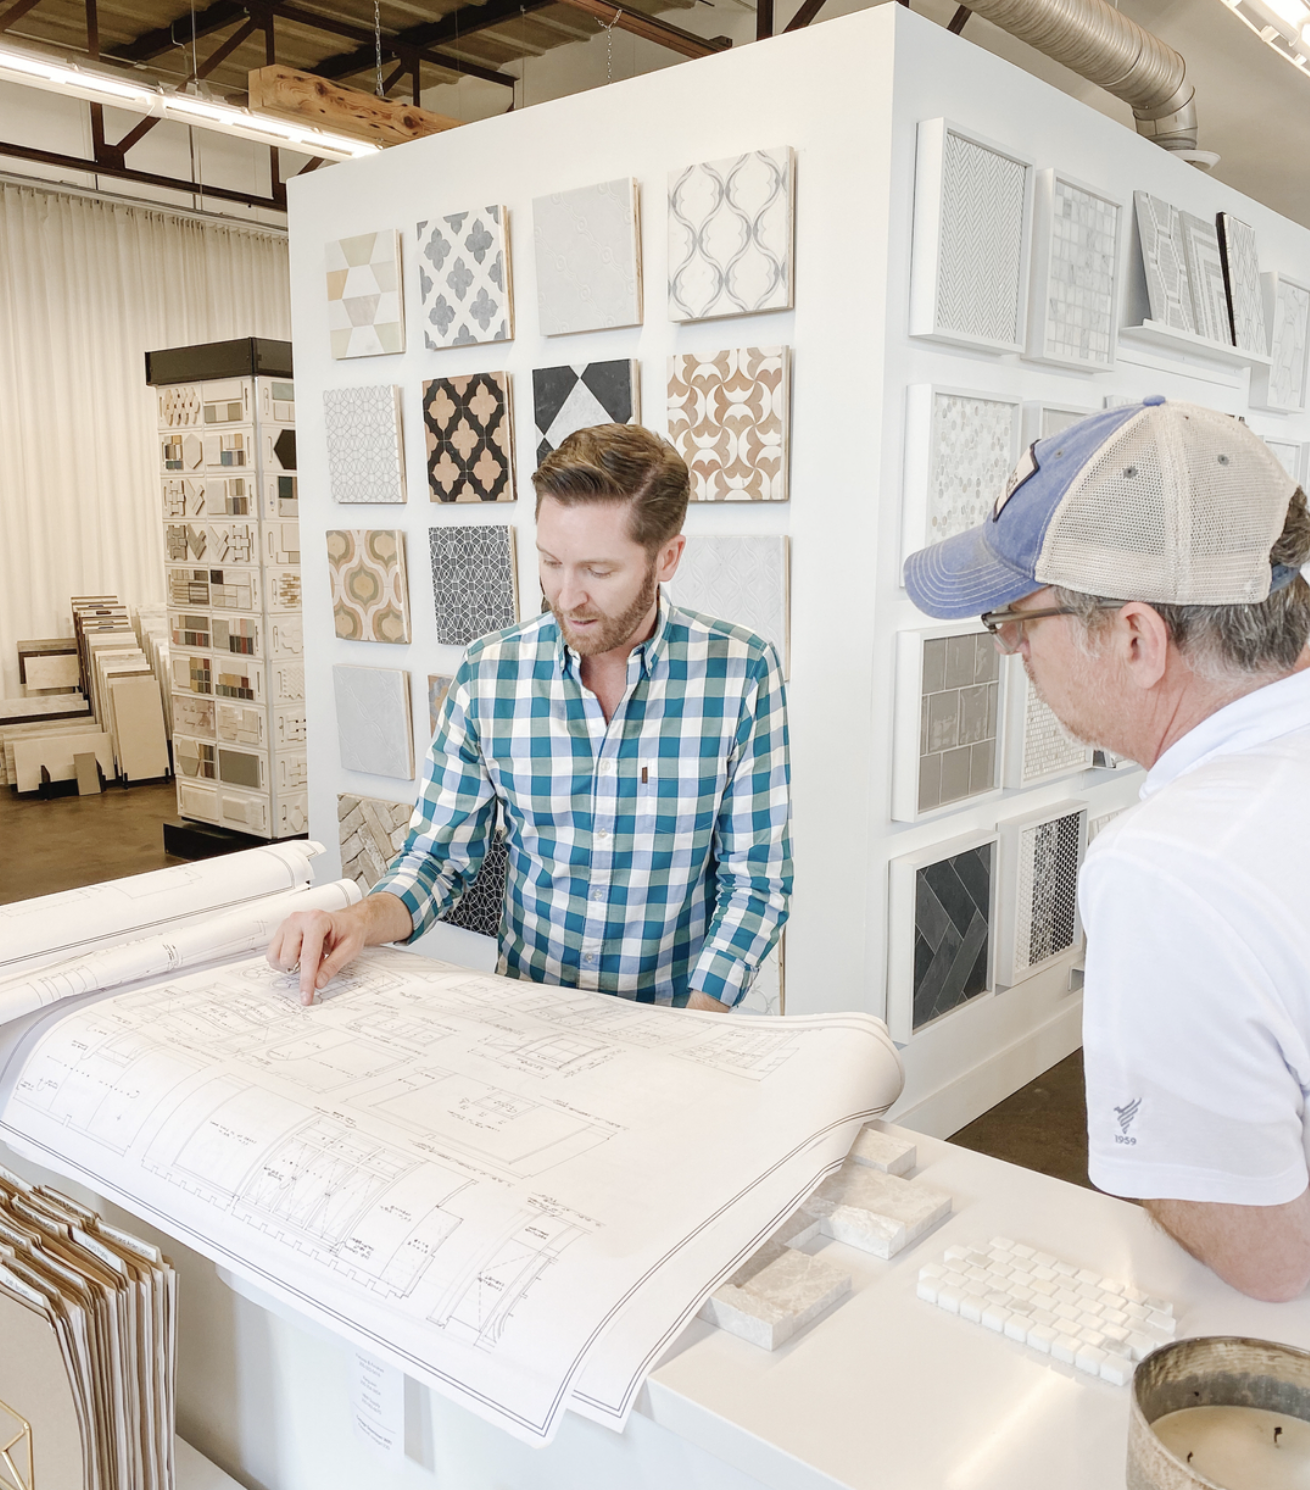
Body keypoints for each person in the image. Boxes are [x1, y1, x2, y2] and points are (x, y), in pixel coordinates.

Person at [904, 395, 1310, 1302]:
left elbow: (1266, 1258)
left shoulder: (1169, 868)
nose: (1009, 651)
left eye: (1017, 619)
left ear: (1137, 637)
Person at [270, 422, 791, 1014]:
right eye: (551, 562)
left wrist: (688, 1033)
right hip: (526, 1027)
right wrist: (358, 919)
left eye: (598, 571)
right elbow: (437, 859)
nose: (566, 596)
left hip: (677, 1021)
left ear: (666, 558)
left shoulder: (741, 672)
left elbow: (756, 884)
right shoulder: (490, 672)